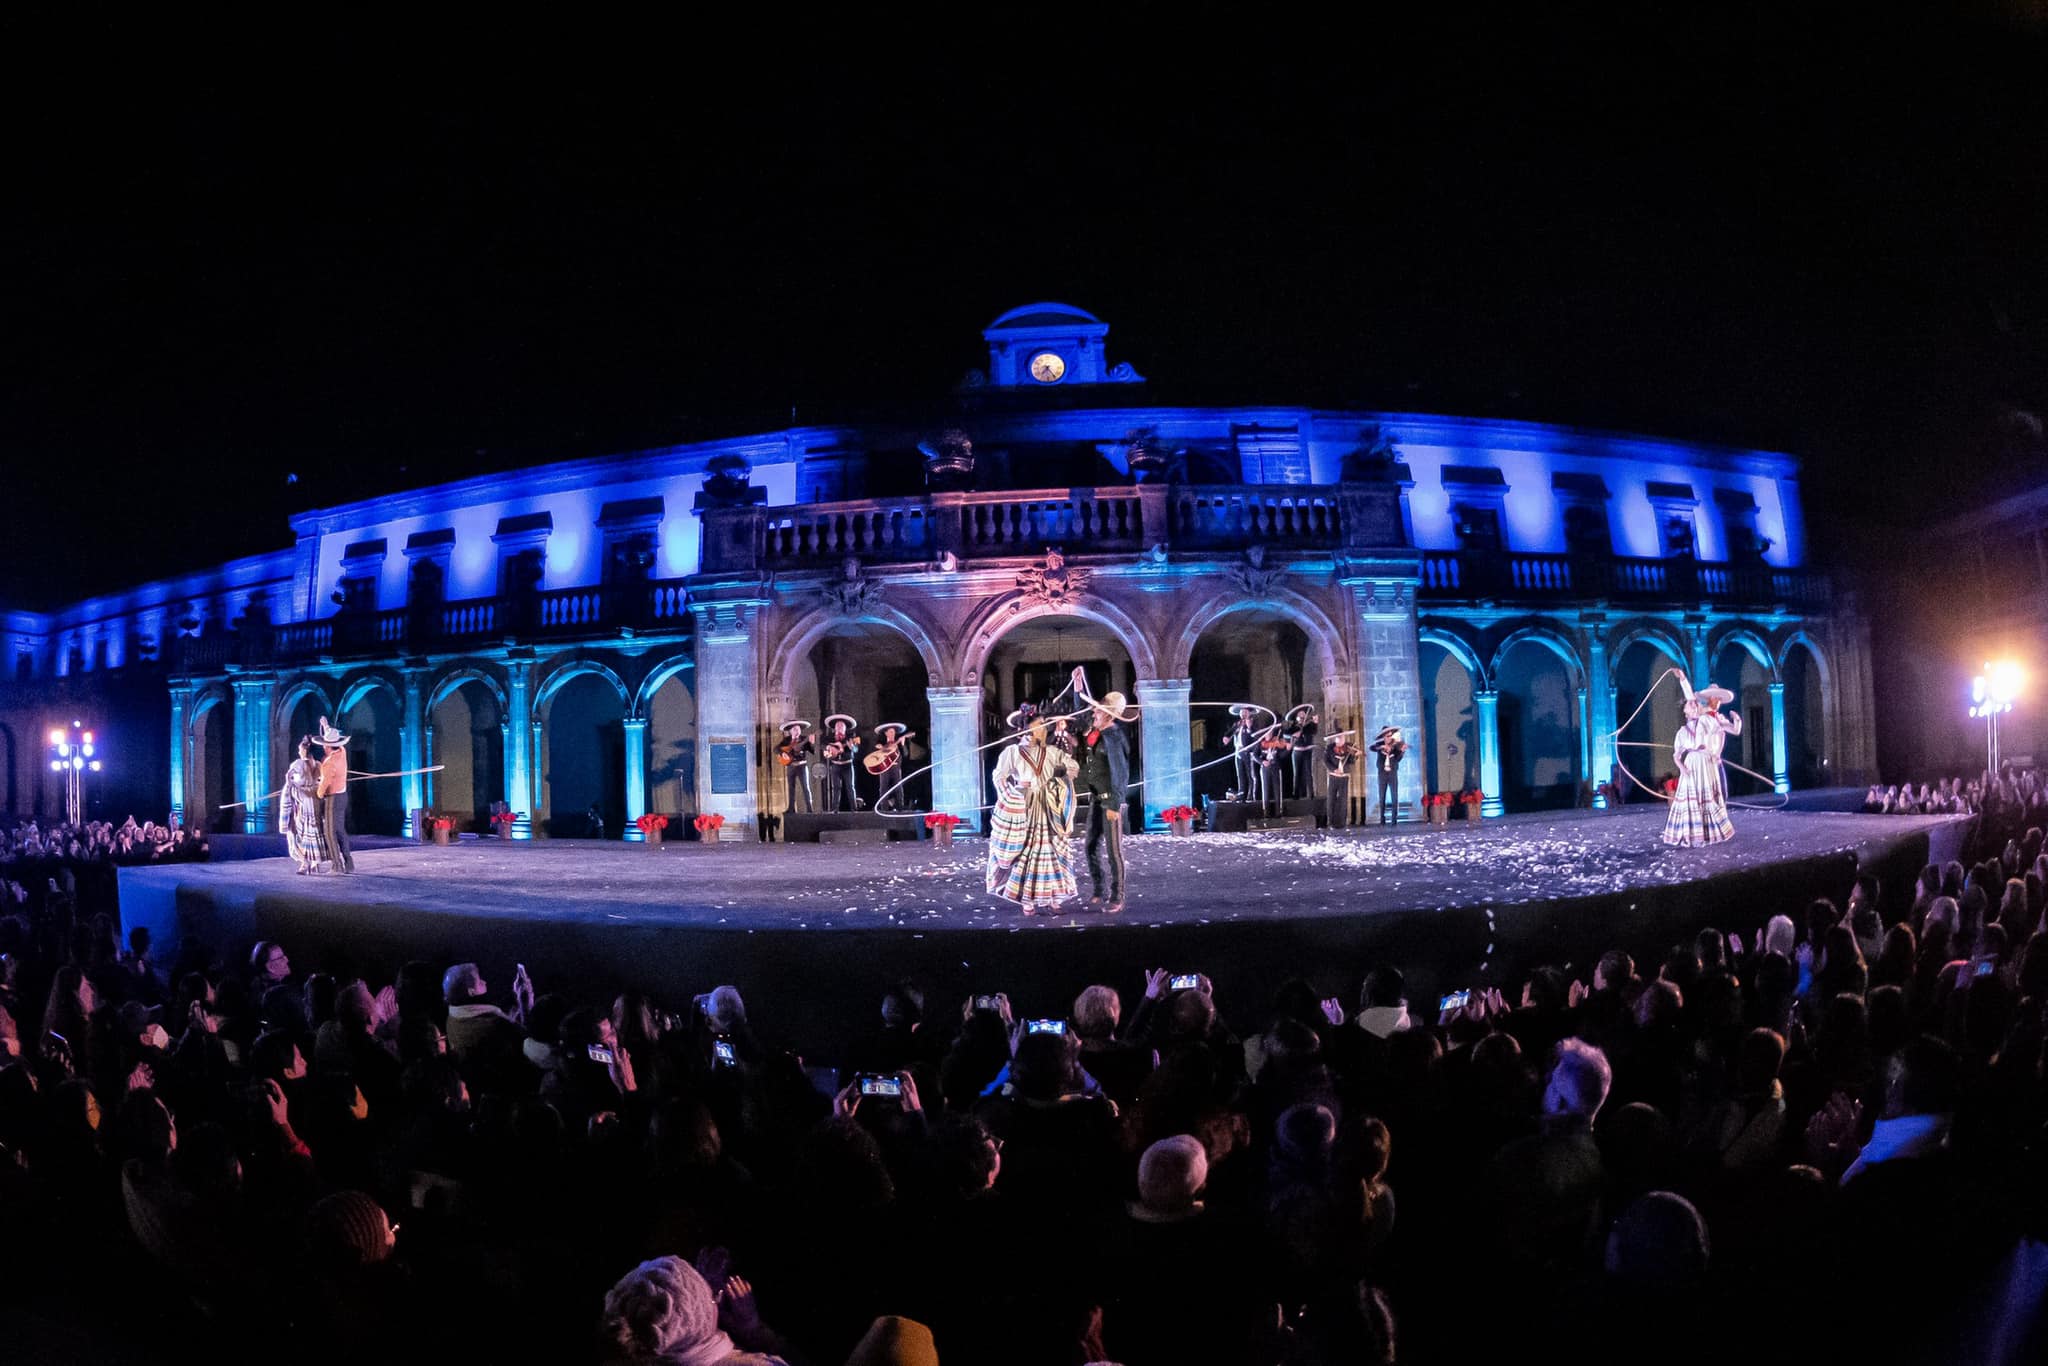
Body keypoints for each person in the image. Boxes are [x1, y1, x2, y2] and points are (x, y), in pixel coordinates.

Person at [986, 709, 1080, 915]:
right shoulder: (1012, 753)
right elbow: (999, 777)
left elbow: (1072, 767)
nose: (1043, 730)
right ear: (1027, 729)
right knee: (1027, 852)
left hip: (1049, 807)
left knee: (1053, 851)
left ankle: (1054, 898)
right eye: (1039, 726)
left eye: (1043, 726)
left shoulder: (1052, 752)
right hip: (1025, 807)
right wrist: (1014, 791)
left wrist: (1056, 778)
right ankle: (1027, 900)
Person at [1662, 678, 1742, 848]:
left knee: (1717, 794)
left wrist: (1737, 720)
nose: (1718, 702)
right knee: (1697, 797)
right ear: (1710, 699)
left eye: (1720, 699)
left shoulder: (1717, 717)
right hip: (1698, 760)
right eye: (1716, 699)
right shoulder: (1702, 714)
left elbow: (1735, 730)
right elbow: (1690, 698)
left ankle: (1712, 830)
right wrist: (1682, 679)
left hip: (1710, 761)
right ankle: (1696, 833)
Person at [1076, 691, 1136, 913]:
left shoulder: (1113, 738)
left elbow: (1120, 773)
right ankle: (1098, 889)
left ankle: (1117, 895)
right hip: (1096, 798)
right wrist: (1078, 688)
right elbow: (1081, 716)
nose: (1094, 712)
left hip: (1110, 802)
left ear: (1109, 716)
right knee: (1090, 845)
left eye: (1098, 709)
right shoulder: (1098, 734)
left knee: (1113, 851)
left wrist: (1115, 805)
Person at [314, 717, 355, 875]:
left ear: (327, 746)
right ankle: (348, 862)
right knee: (340, 830)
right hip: (342, 796)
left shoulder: (330, 763)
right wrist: (325, 726)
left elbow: (324, 784)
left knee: (329, 832)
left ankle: (336, 865)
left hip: (333, 799)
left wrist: (318, 793)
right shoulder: (342, 752)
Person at [279, 736, 324, 875]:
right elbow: (319, 783)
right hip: (314, 802)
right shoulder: (319, 765)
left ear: (304, 750)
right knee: (312, 831)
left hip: (303, 803)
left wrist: (289, 783)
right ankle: (313, 862)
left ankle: (305, 863)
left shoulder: (297, 765)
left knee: (298, 833)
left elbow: (293, 783)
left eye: (300, 749)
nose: (298, 751)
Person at [869, 722, 913, 814]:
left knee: (898, 787)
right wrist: (881, 748)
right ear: (886, 733)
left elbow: (905, 755)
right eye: (890, 732)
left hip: (896, 767)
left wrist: (903, 744)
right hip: (885, 767)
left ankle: (900, 807)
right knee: (883, 787)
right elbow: (876, 755)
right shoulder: (881, 743)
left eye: (893, 732)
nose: (892, 734)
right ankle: (884, 808)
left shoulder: (899, 744)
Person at [821, 714, 861, 813]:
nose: (839, 728)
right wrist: (829, 748)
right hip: (835, 765)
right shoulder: (830, 737)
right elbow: (822, 745)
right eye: (837, 726)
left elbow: (856, 749)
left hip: (847, 765)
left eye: (841, 726)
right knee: (836, 788)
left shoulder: (851, 737)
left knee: (850, 787)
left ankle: (854, 809)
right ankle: (835, 809)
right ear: (834, 728)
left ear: (845, 728)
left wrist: (852, 747)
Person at [1369, 725, 1407, 825]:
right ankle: (1382, 819)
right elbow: (1371, 747)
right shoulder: (1379, 744)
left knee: (1394, 796)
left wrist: (1402, 752)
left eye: (1390, 736)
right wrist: (1382, 747)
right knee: (1382, 796)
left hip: (1392, 773)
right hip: (1382, 774)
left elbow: (1398, 759)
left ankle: (1394, 819)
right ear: (1384, 737)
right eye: (1387, 736)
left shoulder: (1395, 746)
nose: (1389, 738)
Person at [776, 720, 814, 815]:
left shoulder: (804, 739)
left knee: (805, 787)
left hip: (802, 766)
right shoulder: (786, 740)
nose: (797, 731)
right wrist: (783, 753)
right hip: (791, 766)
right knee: (791, 788)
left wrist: (812, 743)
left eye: (798, 729)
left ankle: (810, 809)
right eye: (795, 729)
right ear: (791, 731)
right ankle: (791, 809)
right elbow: (776, 749)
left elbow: (812, 751)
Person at [1284, 703, 1320, 801]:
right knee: (1297, 773)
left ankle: (1311, 794)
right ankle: (1296, 794)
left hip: (1307, 751)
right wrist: (1296, 733)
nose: (1302, 716)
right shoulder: (1293, 727)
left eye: (1303, 714)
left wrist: (1316, 723)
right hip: (1297, 752)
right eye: (1300, 715)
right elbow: (1286, 735)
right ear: (1296, 717)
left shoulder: (1308, 725)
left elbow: (1314, 732)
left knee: (1309, 772)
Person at [1228, 703, 1262, 801]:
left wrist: (1249, 728)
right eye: (1242, 712)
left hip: (1248, 752)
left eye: (1245, 712)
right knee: (1240, 774)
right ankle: (1242, 794)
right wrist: (1227, 737)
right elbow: (1231, 733)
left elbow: (1256, 738)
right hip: (1238, 752)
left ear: (1249, 713)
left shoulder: (1253, 724)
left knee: (1251, 775)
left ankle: (1252, 796)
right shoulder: (1237, 725)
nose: (1243, 714)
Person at [1325, 730, 1357, 829]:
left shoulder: (1349, 747)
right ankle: (1330, 822)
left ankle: (1342, 822)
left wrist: (1354, 755)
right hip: (1333, 776)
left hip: (1344, 777)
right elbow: (1326, 761)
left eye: (1342, 738)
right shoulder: (1330, 748)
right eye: (1338, 738)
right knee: (1331, 799)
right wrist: (1334, 769)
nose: (1339, 740)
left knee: (1343, 800)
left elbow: (1352, 762)